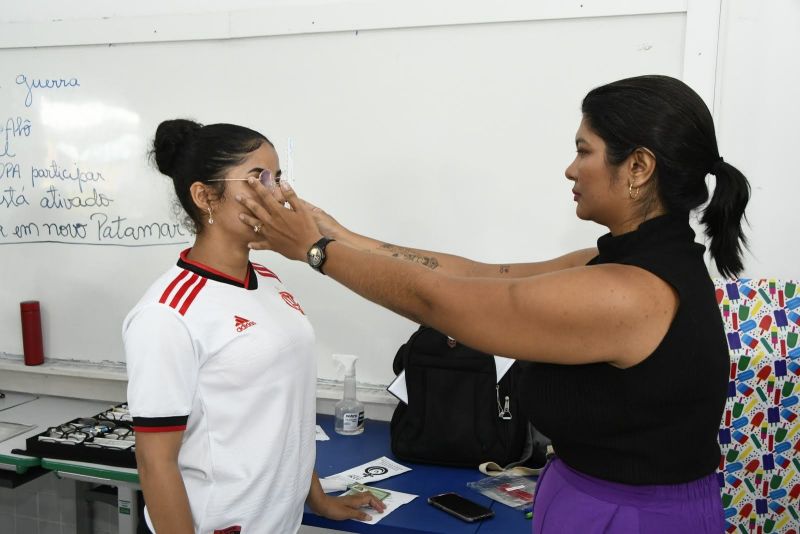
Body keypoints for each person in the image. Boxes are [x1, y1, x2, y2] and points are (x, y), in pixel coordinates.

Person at [237, 75, 750, 533]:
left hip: (630, 519)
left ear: (638, 166)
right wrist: (341, 235)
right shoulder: (620, 260)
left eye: (584, 150)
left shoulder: (632, 290)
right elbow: (482, 276)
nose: (570, 169)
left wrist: (317, 251)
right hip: (587, 497)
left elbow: (440, 300)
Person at [123, 119, 384, 534]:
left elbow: (285, 412)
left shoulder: (270, 281)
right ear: (205, 195)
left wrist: (319, 500)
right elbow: (155, 463)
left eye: (277, 178)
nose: (276, 193)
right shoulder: (166, 314)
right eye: (257, 178)